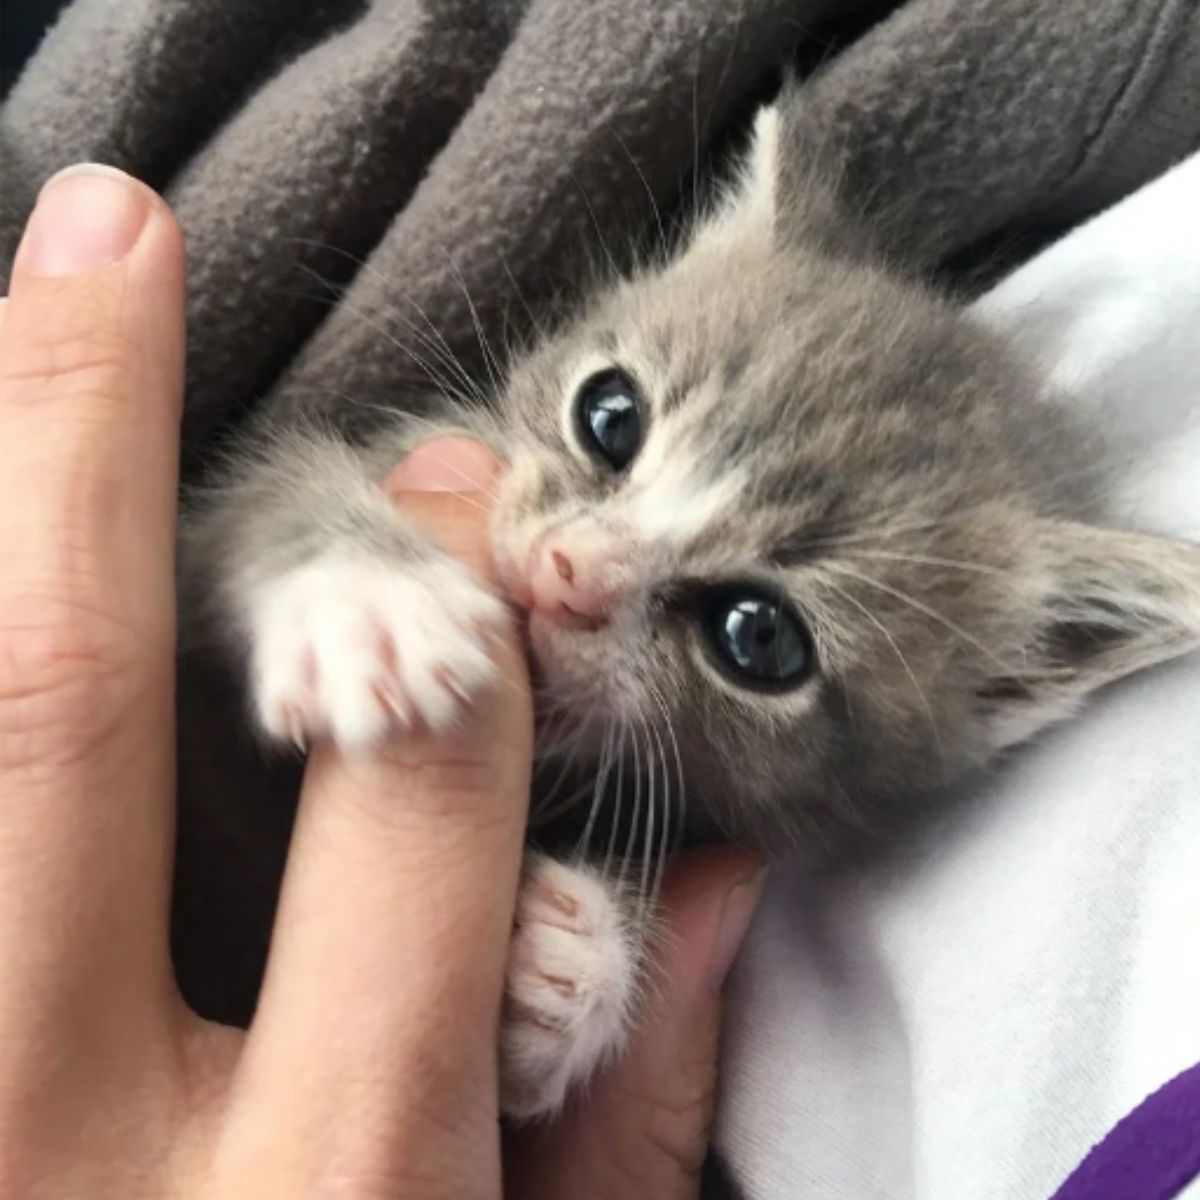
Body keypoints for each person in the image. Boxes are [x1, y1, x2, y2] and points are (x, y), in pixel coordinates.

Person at [0, 163, 763, 1198]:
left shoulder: (684, 807)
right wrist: (329, 557)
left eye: (750, 633)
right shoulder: (467, 461)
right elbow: (244, 529)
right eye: (613, 422)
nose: (573, 567)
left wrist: (597, 940)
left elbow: (614, 853)